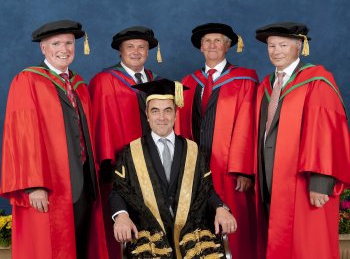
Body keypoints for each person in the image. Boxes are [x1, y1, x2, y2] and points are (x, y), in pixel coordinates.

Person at [0, 20, 108, 259]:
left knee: (81, 246)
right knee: (50, 249)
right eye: (56, 43)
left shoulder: (79, 85)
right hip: (50, 187)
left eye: (69, 43)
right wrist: (33, 184)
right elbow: (23, 134)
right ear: (43, 48)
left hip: (83, 183)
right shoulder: (28, 80)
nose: (64, 49)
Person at [109, 78, 237, 258]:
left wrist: (221, 208)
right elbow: (118, 191)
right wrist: (121, 216)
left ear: (176, 114)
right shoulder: (131, 153)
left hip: (190, 232)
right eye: (155, 111)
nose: (162, 117)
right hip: (151, 233)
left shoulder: (194, 150)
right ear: (147, 114)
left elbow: (206, 191)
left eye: (168, 110)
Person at [254, 22, 350, 258]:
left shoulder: (318, 81)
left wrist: (320, 183)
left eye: (283, 45)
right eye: (271, 45)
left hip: (303, 183)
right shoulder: (267, 85)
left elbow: (326, 135)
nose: (276, 51)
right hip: (270, 179)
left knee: (307, 246)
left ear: (300, 46)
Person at [175, 22, 259, 259]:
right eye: (207, 41)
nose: (212, 45)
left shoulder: (245, 79)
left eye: (218, 40)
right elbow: (180, 126)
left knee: (235, 230)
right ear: (201, 47)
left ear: (228, 45)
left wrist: (244, 170)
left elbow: (248, 127)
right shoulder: (188, 81)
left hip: (230, 170)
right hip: (196, 169)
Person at [88, 25, 161, 258]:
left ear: (149, 51)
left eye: (142, 47)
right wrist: (107, 163)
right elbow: (100, 126)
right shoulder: (104, 80)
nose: (136, 51)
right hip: (119, 167)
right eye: (130, 47)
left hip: (154, 167)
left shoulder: (156, 80)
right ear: (120, 51)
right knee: (121, 226)